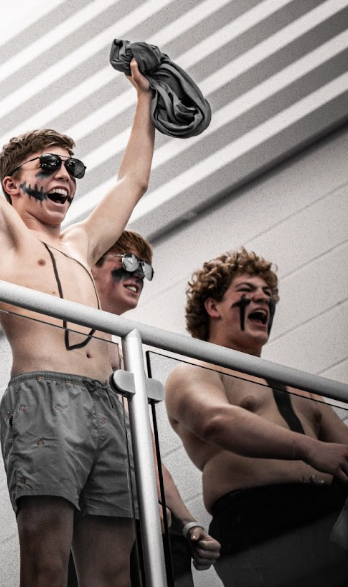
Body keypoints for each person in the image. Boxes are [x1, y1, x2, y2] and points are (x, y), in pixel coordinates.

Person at [0, 0, 157, 587]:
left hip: (107, 404)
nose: (64, 177)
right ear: (11, 184)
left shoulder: (81, 243)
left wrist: (145, 99)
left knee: (114, 577)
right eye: (47, 166)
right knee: (47, 566)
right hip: (43, 398)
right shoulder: (2, 231)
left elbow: (132, 180)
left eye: (71, 168)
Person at [164, 248, 348, 587]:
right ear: (213, 306)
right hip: (257, 519)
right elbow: (215, 420)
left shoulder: (297, 384)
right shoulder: (193, 370)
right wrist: (307, 448)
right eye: (246, 292)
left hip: (330, 516)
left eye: (267, 294)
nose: (261, 298)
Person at [88, 231, 220, 586]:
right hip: (106, 517)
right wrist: (138, 504)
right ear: (90, 265)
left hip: (151, 519)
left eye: (145, 268)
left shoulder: (119, 347)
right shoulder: (71, 336)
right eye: (128, 261)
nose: (138, 274)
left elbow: (143, 450)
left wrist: (188, 522)